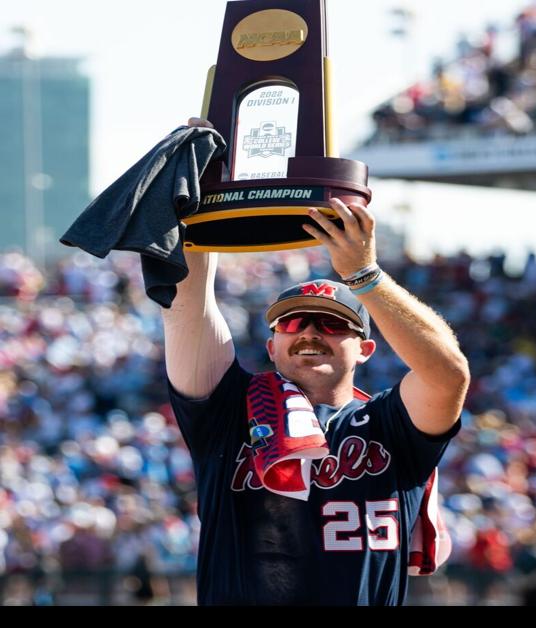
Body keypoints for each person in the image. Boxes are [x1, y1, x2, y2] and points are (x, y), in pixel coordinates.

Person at [162, 119, 470, 605]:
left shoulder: (391, 424)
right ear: (271, 347)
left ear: (366, 349)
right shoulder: (230, 409)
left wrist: (366, 277)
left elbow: (449, 374)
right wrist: (202, 202)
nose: (308, 332)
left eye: (331, 324)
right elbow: (187, 307)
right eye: (290, 324)